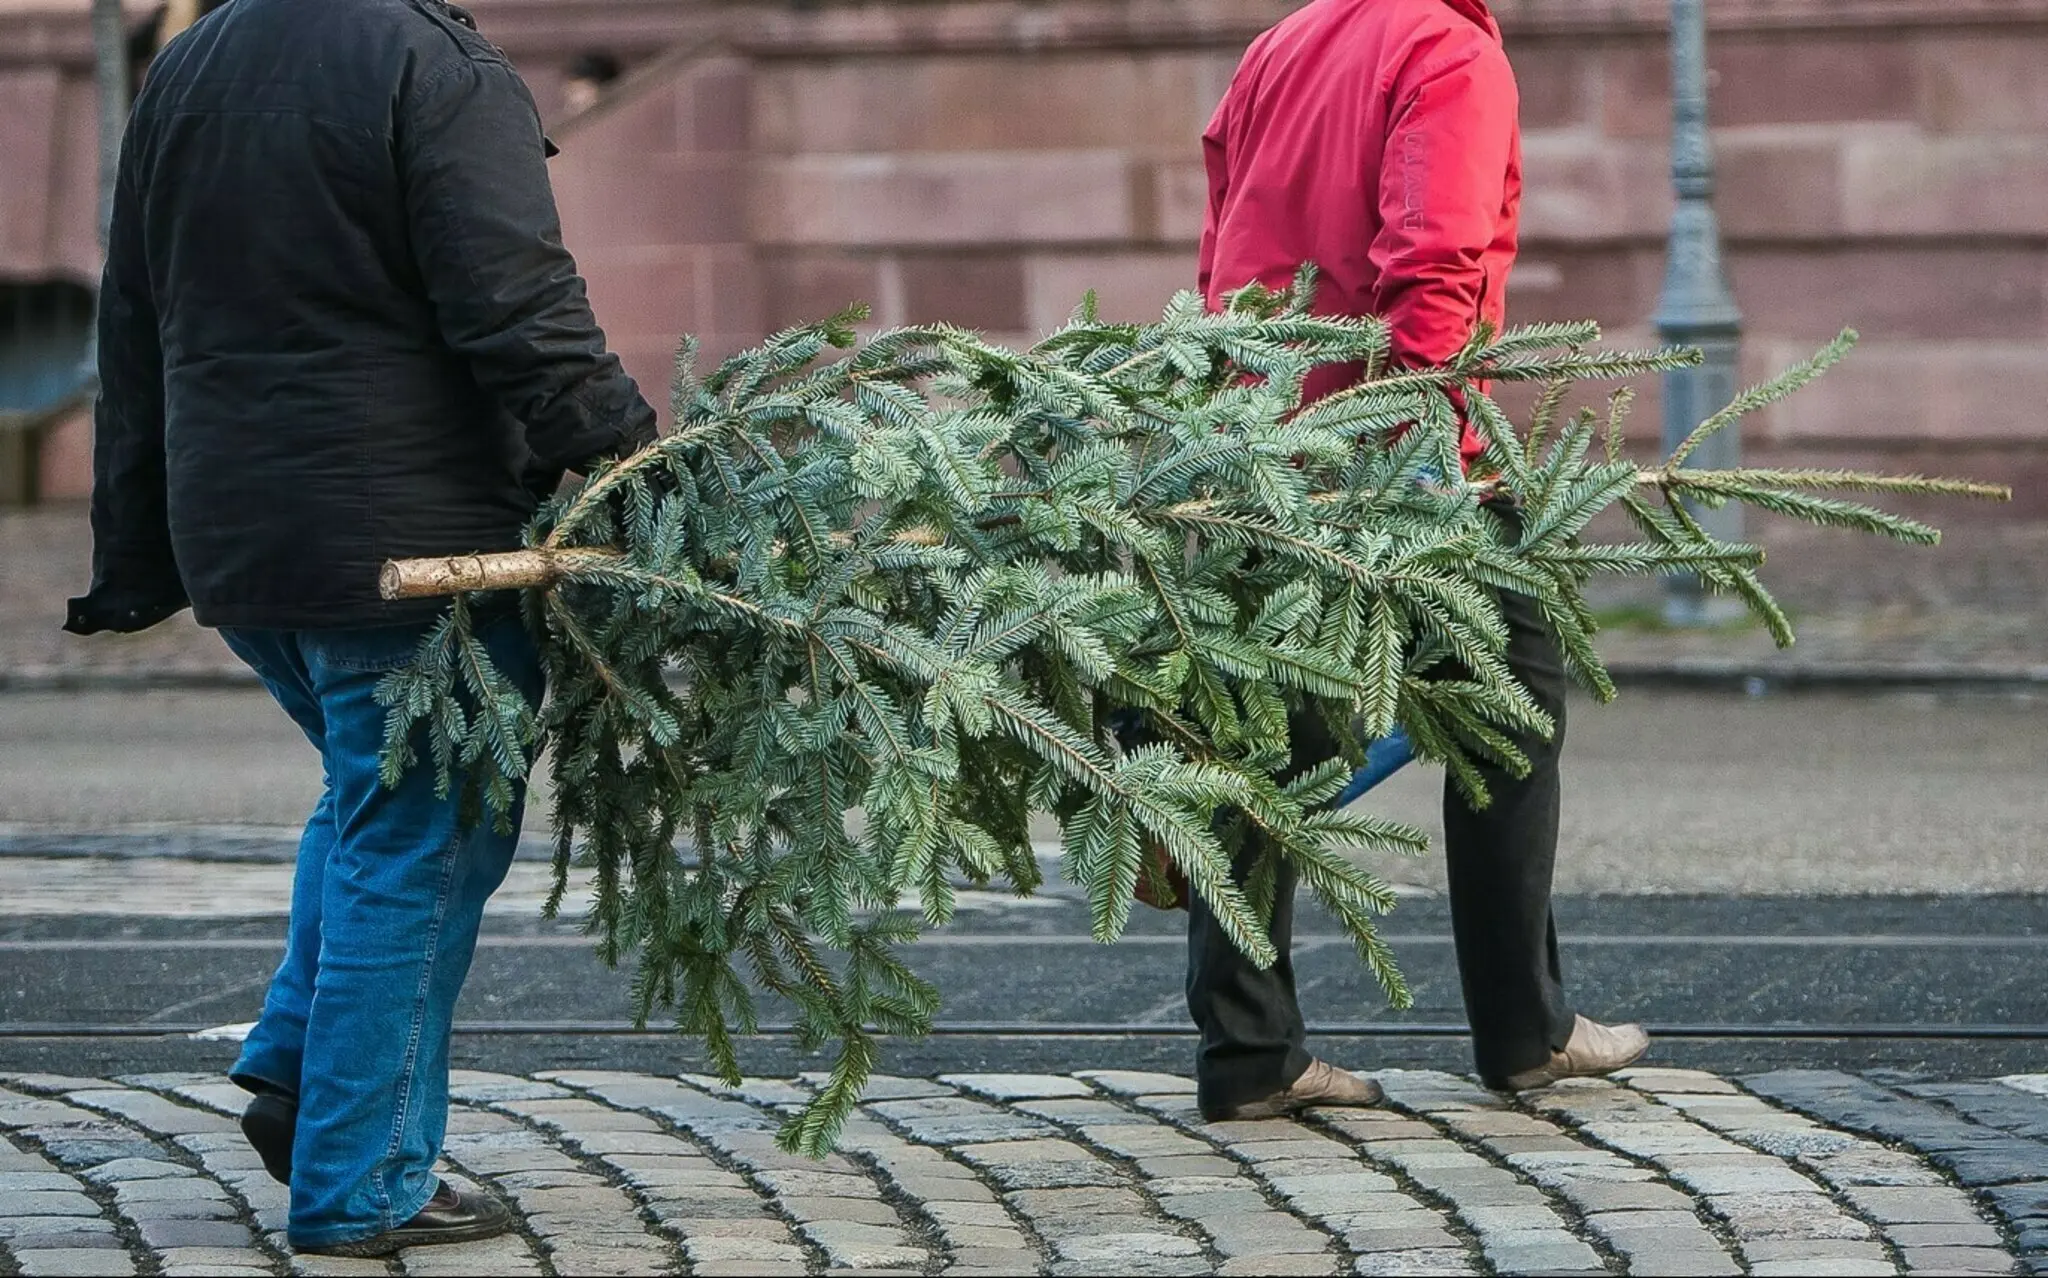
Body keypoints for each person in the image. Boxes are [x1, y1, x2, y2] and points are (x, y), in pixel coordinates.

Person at [66, 0, 656, 1256]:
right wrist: (637, 465)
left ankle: (298, 1075)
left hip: (238, 530)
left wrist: (140, 536)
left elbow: (130, 317)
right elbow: (516, 301)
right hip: (410, 542)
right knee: (418, 841)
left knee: (368, 799)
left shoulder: (193, 59)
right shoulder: (429, 61)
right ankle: (364, 1180)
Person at [1185, 0, 1648, 1122]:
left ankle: (1249, 1053)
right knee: (1514, 702)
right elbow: (1433, 263)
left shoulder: (1282, 43)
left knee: (1268, 735)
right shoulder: (1448, 49)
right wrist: (1429, 459)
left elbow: (1220, 250)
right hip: (1399, 454)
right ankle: (1526, 1031)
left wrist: (1230, 418)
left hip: (1261, 443)